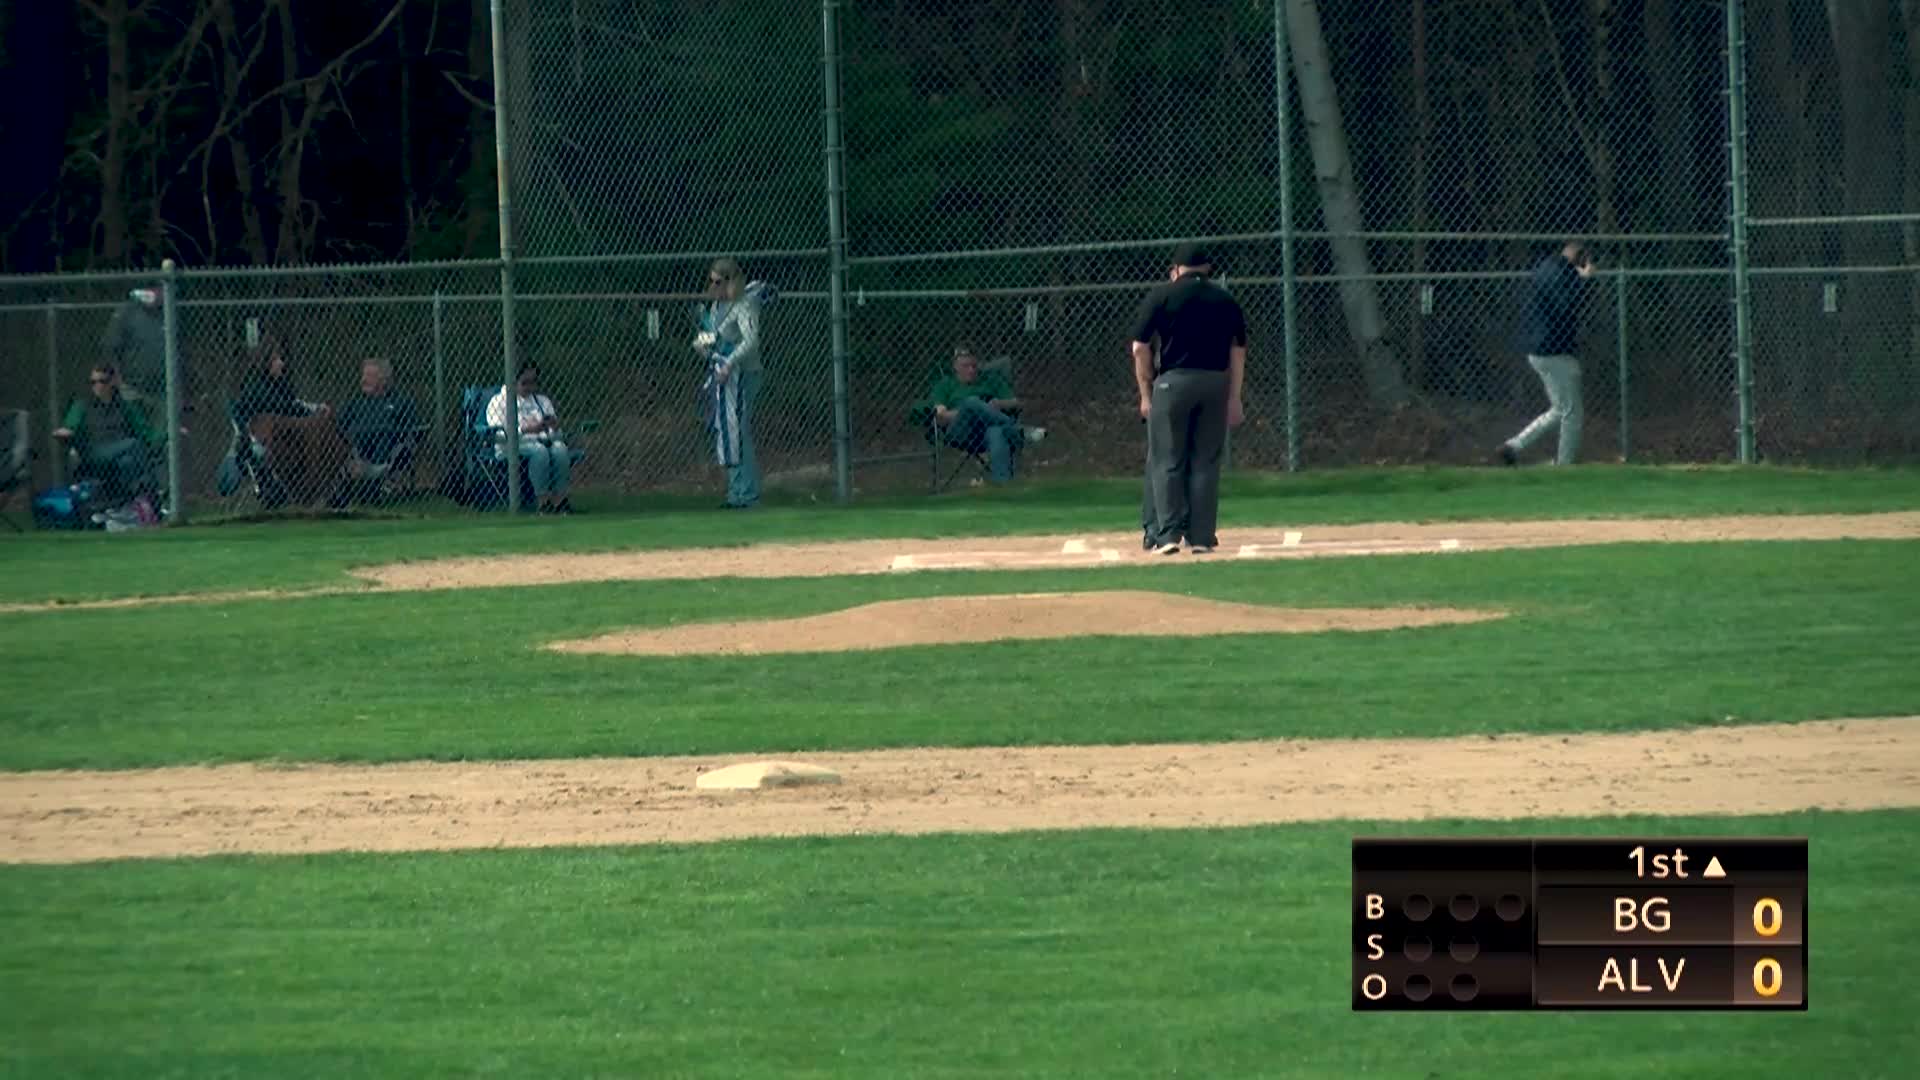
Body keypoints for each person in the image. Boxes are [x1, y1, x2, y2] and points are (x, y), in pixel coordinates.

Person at [1129, 242, 1247, 556]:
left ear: (1177, 269)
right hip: (1215, 382)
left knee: (1167, 459)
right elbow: (1238, 350)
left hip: (1173, 383)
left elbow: (1140, 347)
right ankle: (1202, 536)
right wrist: (1234, 397)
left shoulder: (1162, 295)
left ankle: (1167, 534)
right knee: (1205, 461)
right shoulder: (1224, 298)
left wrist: (1145, 391)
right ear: (1207, 269)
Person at [1497, 240, 1596, 466]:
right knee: (1572, 412)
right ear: (1577, 255)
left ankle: (1513, 446)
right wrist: (1585, 281)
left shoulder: (1546, 268)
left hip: (1540, 348)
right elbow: (1567, 306)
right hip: (1553, 349)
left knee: (1560, 409)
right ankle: (1564, 464)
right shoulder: (1560, 274)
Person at [695, 257, 774, 509]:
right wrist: (702, 344)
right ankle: (735, 492)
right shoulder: (717, 306)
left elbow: (750, 340)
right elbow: (714, 336)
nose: (713, 286)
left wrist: (729, 362)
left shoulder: (743, 305)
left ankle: (746, 493)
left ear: (731, 281)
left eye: (718, 281)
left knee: (738, 431)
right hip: (723, 375)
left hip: (743, 374)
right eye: (711, 281)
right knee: (727, 432)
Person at [913, 341, 1046, 484]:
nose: (971, 370)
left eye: (974, 366)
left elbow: (1016, 402)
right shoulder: (945, 385)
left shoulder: (991, 380)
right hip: (961, 433)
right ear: (955, 367)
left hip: (986, 431)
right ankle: (1019, 431)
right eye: (965, 366)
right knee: (971, 402)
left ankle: (1002, 486)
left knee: (996, 433)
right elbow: (941, 416)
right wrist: (970, 410)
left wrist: (999, 404)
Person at [232, 329, 331, 508]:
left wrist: (316, 408)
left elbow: (293, 403)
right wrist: (313, 411)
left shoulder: (279, 385)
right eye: (277, 360)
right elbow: (287, 407)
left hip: (285, 439)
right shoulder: (257, 387)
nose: (281, 364)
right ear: (266, 362)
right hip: (263, 441)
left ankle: (310, 491)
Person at [53, 363, 162, 505]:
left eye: (102, 381)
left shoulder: (124, 406)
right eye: (93, 382)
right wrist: (65, 431)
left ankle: (121, 505)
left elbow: (145, 432)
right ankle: (153, 494)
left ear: (112, 382)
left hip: (121, 453)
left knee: (128, 462)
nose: (97, 386)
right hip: (94, 452)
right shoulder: (83, 405)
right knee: (134, 444)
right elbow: (70, 426)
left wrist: (169, 435)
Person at [328, 357, 421, 510]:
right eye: (363, 375)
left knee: (383, 434)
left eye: (370, 376)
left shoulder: (401, 401)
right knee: (352, 439)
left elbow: (413, 430)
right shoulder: (356, 402)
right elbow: (338, 425)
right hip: (357, 448)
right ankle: (344, 493)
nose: (363, 380)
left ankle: (371, 488)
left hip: (388, 449)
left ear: (383, 380)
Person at [486, 361, 574, 514]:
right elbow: (498, 435)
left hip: (544, 441)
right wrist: (524, 430)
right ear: (513, 380)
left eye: (534, 382)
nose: (530, 388)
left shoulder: (542, 401)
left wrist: (553, 428)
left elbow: (558, 435)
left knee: (560, 449)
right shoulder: (499, 402)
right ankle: (543, 503)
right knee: (539, 451)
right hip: (512, 446)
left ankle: (559, 501)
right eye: (525, 383)